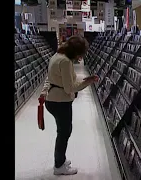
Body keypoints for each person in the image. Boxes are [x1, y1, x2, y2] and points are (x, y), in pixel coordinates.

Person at [40, 36, 98, 175]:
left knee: (63, 132)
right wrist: (88, 82)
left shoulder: (57, 55)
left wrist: (43, 92)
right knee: (64, 133)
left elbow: (54, 78)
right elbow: (69, 88)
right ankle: (59, 166)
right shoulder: (65, 61)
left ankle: (61, 159)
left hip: (53, 100)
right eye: (80, 54)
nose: (80, 57)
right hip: (60, 102)